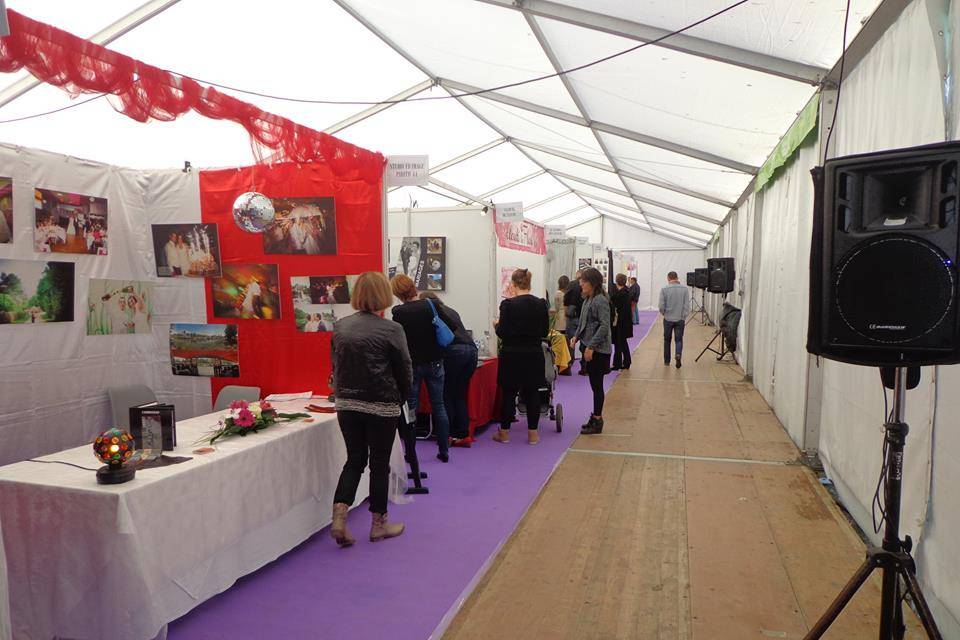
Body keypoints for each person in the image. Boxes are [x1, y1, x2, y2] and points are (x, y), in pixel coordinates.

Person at [330, 271, 411, 546]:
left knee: (354, 460)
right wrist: (403, 398)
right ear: (384, 295)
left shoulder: (341, 326)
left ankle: (339, 517)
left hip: (347, 404)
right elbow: (405, 370)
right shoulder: (392, 329)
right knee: (379, 464)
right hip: (382, 405)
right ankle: (379, 525)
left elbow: (336, 367)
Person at [391, 273, 454, 462]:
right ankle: (444, 450)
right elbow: (451, 326)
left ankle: (410, 452)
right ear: (412, 287)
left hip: (412, 365)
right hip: (435, 361)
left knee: (411, 409)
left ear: (397, 293)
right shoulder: (430, 305)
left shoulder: (398, 313)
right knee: (439, 405)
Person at [493, 268, 549, 445]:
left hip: (511, 354)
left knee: (509, 393)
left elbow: (502, 332)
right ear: (529, 283)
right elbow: (545, 331)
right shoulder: (541, 304)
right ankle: (533, 434)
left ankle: (505, 433)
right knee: (532, 393)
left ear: (513, 284)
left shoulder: (507, 305)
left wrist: (496, 325)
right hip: (533, 353)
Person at [420, 292, 478, 447]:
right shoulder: (450, 310)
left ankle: (448, 434)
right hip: (471, 351)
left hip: (453, 353)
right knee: (459, 394)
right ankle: (463, 434)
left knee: (446, 394)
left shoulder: (430, 312)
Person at [572, 267, 612, 434]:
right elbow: (584, 322)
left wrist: (591, 347)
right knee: (594, 385)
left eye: (583, 281)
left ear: (592, 283)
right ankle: (595, 416)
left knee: (597, 386)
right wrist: (576, 336)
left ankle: (597, 419)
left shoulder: (600, 300)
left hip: (599, 350)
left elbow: (604, 326)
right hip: (590, 347)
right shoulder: (589, 299)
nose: (581, 284)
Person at [659, 271, 691, 369]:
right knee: (678, 339)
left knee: (667, 340)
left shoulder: (664, 289)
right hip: (680, 319)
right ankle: (678, 354)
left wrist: (664, 313)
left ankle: (667, 361)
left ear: (668, 278)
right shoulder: (685, 289)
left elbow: (661, 306)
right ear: (677, 278)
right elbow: (687, 306)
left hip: (668, 318)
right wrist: (683, 316)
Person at [563, 270, 584, 374]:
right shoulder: (586, 285)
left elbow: (565, 299)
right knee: (585, 341)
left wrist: (566, 312)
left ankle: (569, 365)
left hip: (572, 317)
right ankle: (585, 367)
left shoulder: (571, 284)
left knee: (570, 342)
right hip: (582, 317)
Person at [610, 273, 634, 370]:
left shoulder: (621, 294)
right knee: (621, 343)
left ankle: (619, 363)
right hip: (624, 322)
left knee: (620, 343)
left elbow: (617, 308)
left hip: (621, 323)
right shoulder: (626, 292)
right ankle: (623, 362)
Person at [553, 276, 570, 374]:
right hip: (567, 319)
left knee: (559, 343)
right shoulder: (567, 294)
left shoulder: (557, 294)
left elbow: (556, 307)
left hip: (560, 319)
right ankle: (567, 364)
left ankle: (560, 364)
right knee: (566, 343)